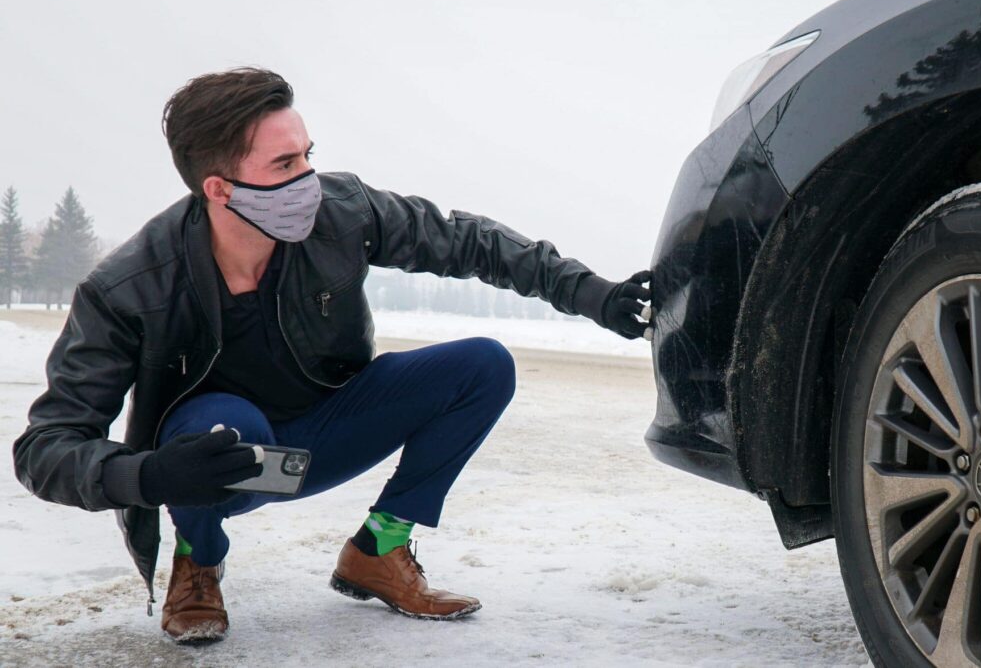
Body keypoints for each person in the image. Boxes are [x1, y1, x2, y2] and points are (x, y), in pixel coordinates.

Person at [11, 67, 654, 643]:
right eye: (284, 166)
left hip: (327, 428)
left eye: (307, 156)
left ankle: (379, 549)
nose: (308, 181)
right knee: (218, 421)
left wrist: (590, 293)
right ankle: (198, 563)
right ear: (219, 187)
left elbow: (469, 242)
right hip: (219, 468)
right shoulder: (129, 287)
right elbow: (45, 447)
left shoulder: (341, 212)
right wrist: (150, 477)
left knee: (483, 364)